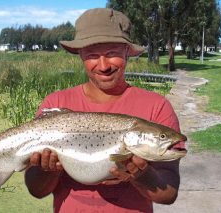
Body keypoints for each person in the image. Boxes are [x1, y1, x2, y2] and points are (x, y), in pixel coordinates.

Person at [25, 8, 185, 213]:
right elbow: (36, 190)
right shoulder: (55, 103)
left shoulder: (157, 106)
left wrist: (141, 176)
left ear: (127, 52)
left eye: (112, 53)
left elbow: (169, 194)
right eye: (92, 55)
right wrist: (46, 169)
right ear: (80, 54)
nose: (103, 66)